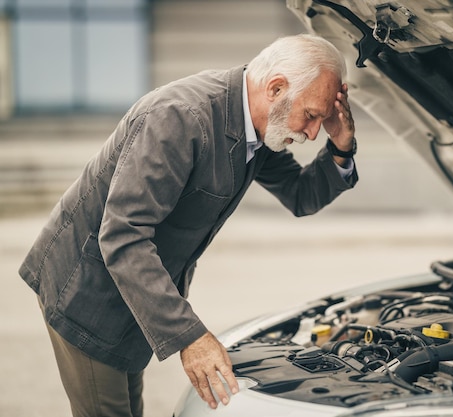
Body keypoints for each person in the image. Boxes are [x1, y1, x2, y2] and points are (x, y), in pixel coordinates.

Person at [19, 34, 357, 416]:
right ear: (275, 88)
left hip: (136, 289)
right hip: (87, 290)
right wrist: (190, 337)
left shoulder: (262, 124)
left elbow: (300, 195)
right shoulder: (179, 118)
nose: (313, 133)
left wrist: (340, 147)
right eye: (312, 116)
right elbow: (123, 235)